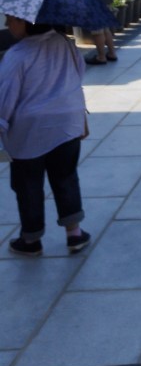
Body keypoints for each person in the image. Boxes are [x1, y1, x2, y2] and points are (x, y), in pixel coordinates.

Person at [0, 16, 91, 256]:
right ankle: (74, 234)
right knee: (66, 177)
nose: (8, 24)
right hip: (66, 123)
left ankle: (31, 240)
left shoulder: (17, 54)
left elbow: (6, 96)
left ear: (29, 21)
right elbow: (78, 73)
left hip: (30, 130)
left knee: (27, 184)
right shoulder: (65, 43)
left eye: (12, 20)